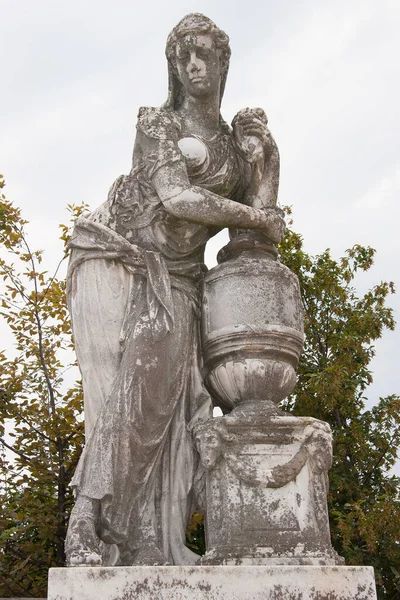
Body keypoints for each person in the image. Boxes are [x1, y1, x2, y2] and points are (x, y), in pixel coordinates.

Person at [65, 12, 284, 567]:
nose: (194, 64)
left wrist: (267, 163)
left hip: (183, 278)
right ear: (173, 66)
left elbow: (255, 228)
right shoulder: (158, 125)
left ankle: (150, 540)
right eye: (184, 55)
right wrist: (259, 218)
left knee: (185, 407)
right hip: (123, 258)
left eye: (204, 54)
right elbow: (180, 200)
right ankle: (86, 521)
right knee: (136, 393)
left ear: (222, 62)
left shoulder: (234, 149)